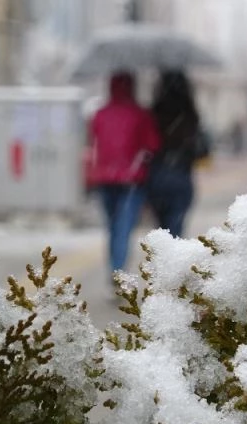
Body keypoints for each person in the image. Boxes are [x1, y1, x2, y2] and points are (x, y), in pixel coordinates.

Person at [89, 72, 160, 274]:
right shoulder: (140, 114)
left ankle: (114, 267)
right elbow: (153, 144)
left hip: (105, 178)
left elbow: (94, 140)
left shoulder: (100, 114)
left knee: (112, 226)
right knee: (124, 226)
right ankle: (118, 269)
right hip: (132, 179)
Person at [147, 70, 210, 238]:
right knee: (176, 230)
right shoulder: (190, 114)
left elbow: (148, 147)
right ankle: (172, 253)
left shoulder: (155, 112)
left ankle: (163, 253)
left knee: (161, 232)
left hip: (157, 178)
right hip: (181, 177)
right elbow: (202, 151)